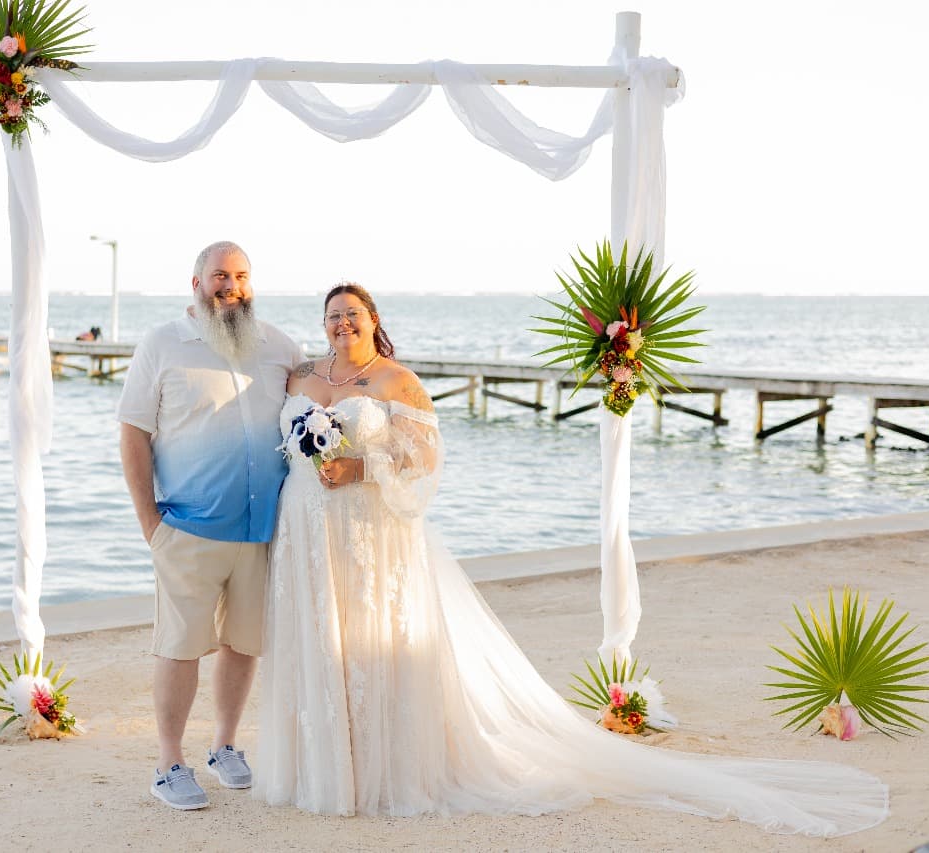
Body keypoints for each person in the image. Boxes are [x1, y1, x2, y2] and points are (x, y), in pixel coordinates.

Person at [253, 282, 888, 837]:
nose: (343, 323)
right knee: (319, 641)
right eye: (333, 314)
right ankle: (324, 766)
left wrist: (360, 465)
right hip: (308, 531)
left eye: (353, 314)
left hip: (372, 532)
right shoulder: (301, 377)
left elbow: (426, 463)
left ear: (373, 320)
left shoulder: (397, 381)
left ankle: (379, 772)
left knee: (370, 638)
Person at [117, 241, 304, 811]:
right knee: (180, 647)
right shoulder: (162, 344)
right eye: (220, 275)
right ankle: (169, 762)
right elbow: (132, 432)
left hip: (259, 531)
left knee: (243, 645)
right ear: (196, 282)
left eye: (242, 275)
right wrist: (150, 522)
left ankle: (224, 747)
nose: (233, 286)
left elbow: (315, 405)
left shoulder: (277, 346)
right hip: (188, 529)